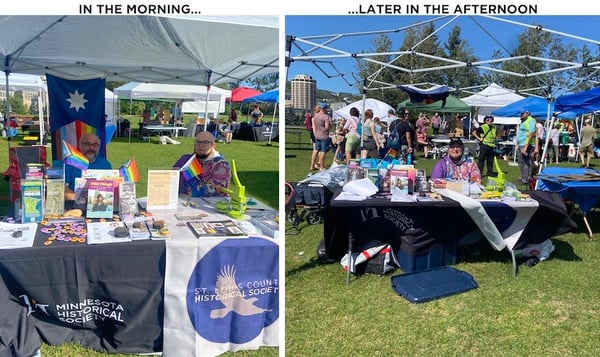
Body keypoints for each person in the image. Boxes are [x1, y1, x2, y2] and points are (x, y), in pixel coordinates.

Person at [173, 131, 231, 197]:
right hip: (180, 200)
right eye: (198, 142)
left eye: (205, 142)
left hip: (208, 205)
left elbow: (215, 189)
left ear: (213, 145)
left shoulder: (221, 165)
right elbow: (171, 177)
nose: (201, 145)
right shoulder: (185, 160)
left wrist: (188, 195)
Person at [64, 133, 112, 201]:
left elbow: (110, 188)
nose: (91, 148)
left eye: (95, 145)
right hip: (74, 204)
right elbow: (63, 188)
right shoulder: (70, 163)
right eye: (87, 144)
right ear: (79, 145)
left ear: (99, 147)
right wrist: (78, 199)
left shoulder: (106, 165)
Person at [517, 110, 539, 185]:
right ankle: (523, 177)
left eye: (522, 114)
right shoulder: (524, 121)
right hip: (521, 143)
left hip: (526, 144)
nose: (521, 115)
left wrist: (526, 147)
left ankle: (526, 179)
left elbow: (531, 134)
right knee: (521, 161)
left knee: (526, 162)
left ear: (527, 113)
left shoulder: (531, 121)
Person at [312, 103, 332, 170]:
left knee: (316, 150)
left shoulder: (315, 116)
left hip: (317, 135)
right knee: (323, 151)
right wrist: (330, 125)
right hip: (324, 135)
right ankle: (322, 166)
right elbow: (327, 127)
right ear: (325, 108)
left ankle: (312, 165)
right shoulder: (326, 117)